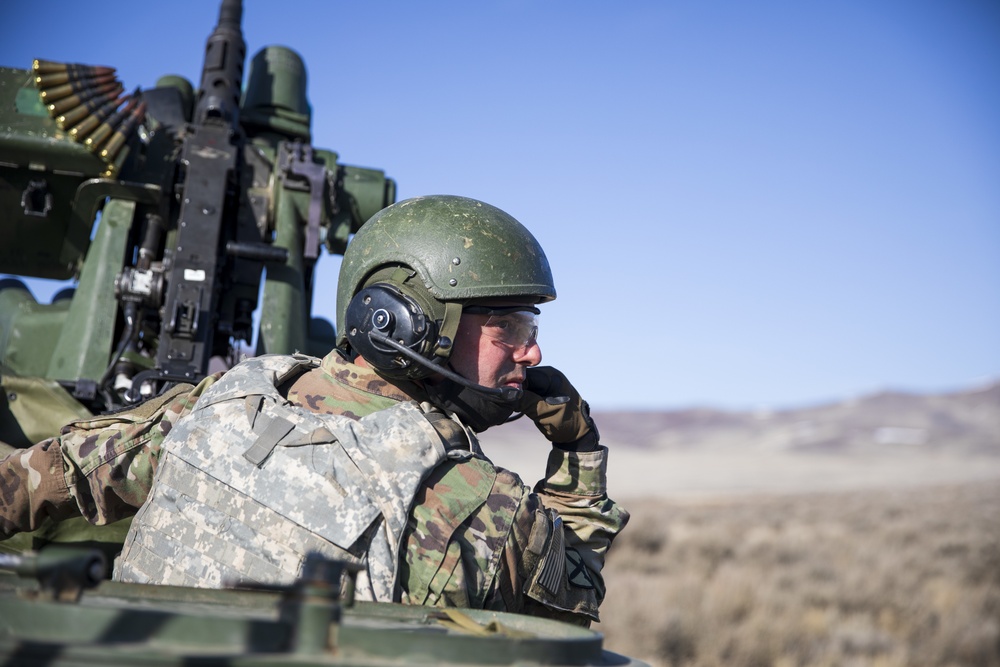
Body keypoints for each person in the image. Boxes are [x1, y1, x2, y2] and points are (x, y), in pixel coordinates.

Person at [0, 195, 628, 625]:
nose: (533, 349)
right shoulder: (488, 508)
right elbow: (569, 612)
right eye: (508, 326)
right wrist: (578, 453)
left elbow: (42, 479)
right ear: (410, 324)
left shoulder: (220, 402)